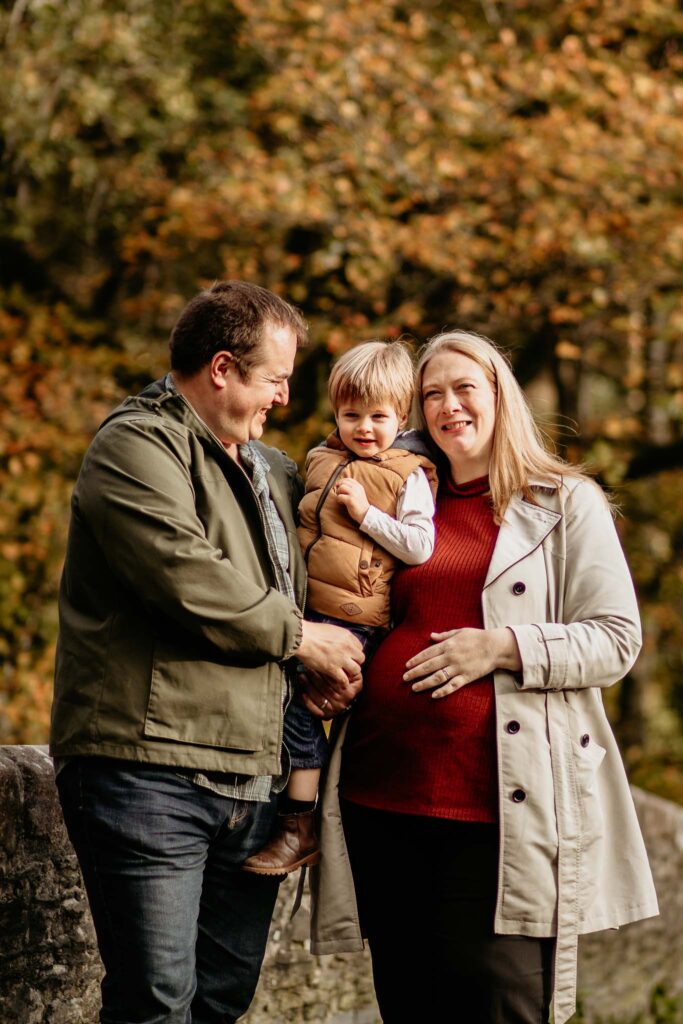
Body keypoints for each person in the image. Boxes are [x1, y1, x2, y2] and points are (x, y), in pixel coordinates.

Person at [309, 330, 659, 1024]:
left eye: (464, 387)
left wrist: (501, 646)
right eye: (430, 393)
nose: (447, 405)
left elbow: (616, 640)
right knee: (410, 1004)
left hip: (499, 809)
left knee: (502, 1002)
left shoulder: (563, 504)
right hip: (380, 797)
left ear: (501, 395)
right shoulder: (404, 493)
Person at [50, 280, 364, 1024]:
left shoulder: (275, 470)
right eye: (275, 380)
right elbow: (187, 578)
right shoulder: (133, 446)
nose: (284, 399)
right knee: (156, 1005)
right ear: (222, 368)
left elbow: (324, 570)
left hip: (256, 783)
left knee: (220, 1003)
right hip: (149, 775)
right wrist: (302, 640)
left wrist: (320, 669)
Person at [242, 341, 437, 876]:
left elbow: (420, 545)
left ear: (402, 417)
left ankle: (298, 823)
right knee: (280, 697)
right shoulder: (323, 459)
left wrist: (368, 514)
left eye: (379, 416)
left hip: (356, 619)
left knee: (302, 711)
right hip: (310, 612)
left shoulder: (407, 474)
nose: (364, 427)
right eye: (351, 415)